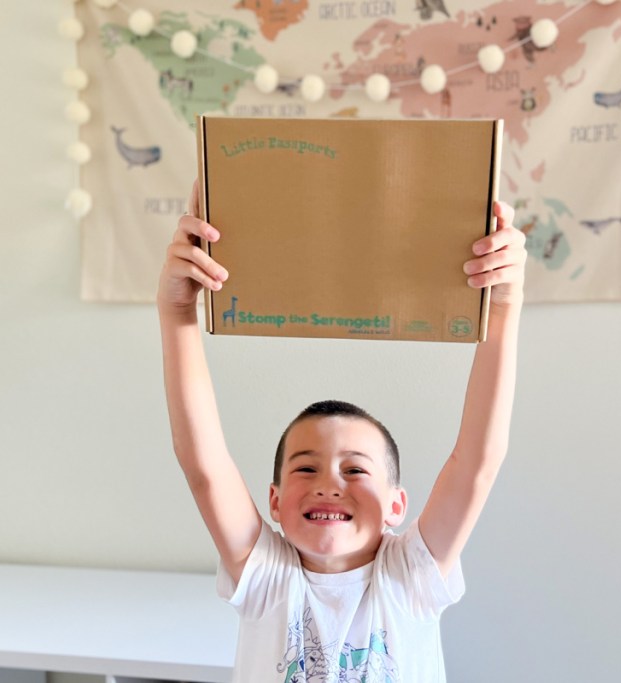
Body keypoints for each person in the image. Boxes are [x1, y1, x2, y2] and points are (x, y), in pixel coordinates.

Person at [157, 181, 526, 682]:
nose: (329, 482)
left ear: (397, 506)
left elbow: (476, 464)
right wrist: (177, 311)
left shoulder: (409, 577)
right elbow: (204, 466)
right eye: (305, 467)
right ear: (275, 500)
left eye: (355, 468)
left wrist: (504, 306)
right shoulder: (266, 577)